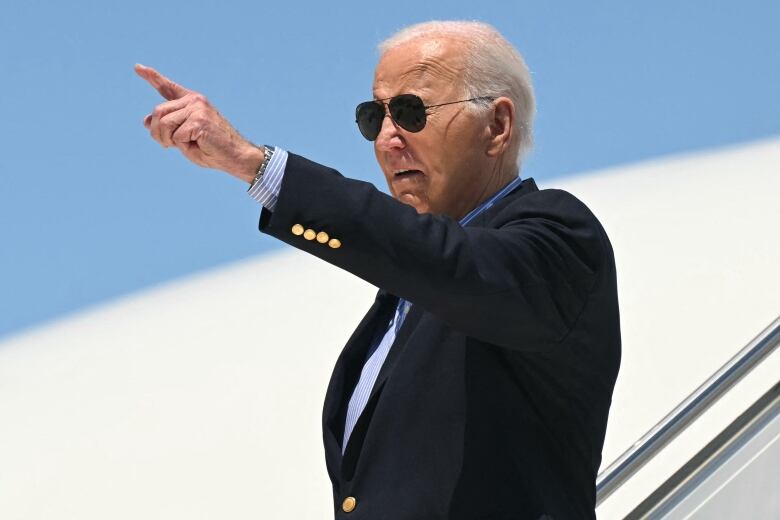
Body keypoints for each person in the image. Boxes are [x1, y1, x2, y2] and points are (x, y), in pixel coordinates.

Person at [137, 20, 621, 520]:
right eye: (374, 117)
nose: (388, 140)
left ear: (497, 127)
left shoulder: (558, 240)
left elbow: (445, 263)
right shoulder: (403, 297)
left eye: (412, 113)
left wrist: (255, 166)